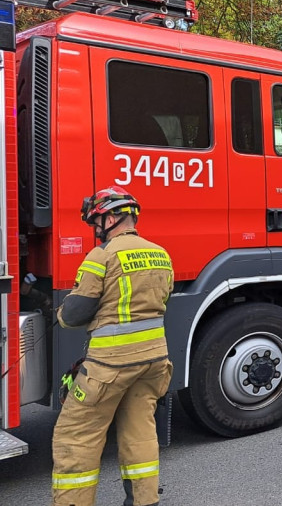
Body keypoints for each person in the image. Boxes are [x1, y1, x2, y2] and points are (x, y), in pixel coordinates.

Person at [51, 186, 174, 506]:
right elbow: (160, 302)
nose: (95, 229)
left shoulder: (102, 255)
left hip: (109, 367)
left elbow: (76, 313)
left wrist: (60, 315)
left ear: (112, 218)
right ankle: (145, 501)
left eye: (97, 222)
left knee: (76, 437)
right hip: (155, 363)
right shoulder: (160, 253)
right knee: (140, 434)